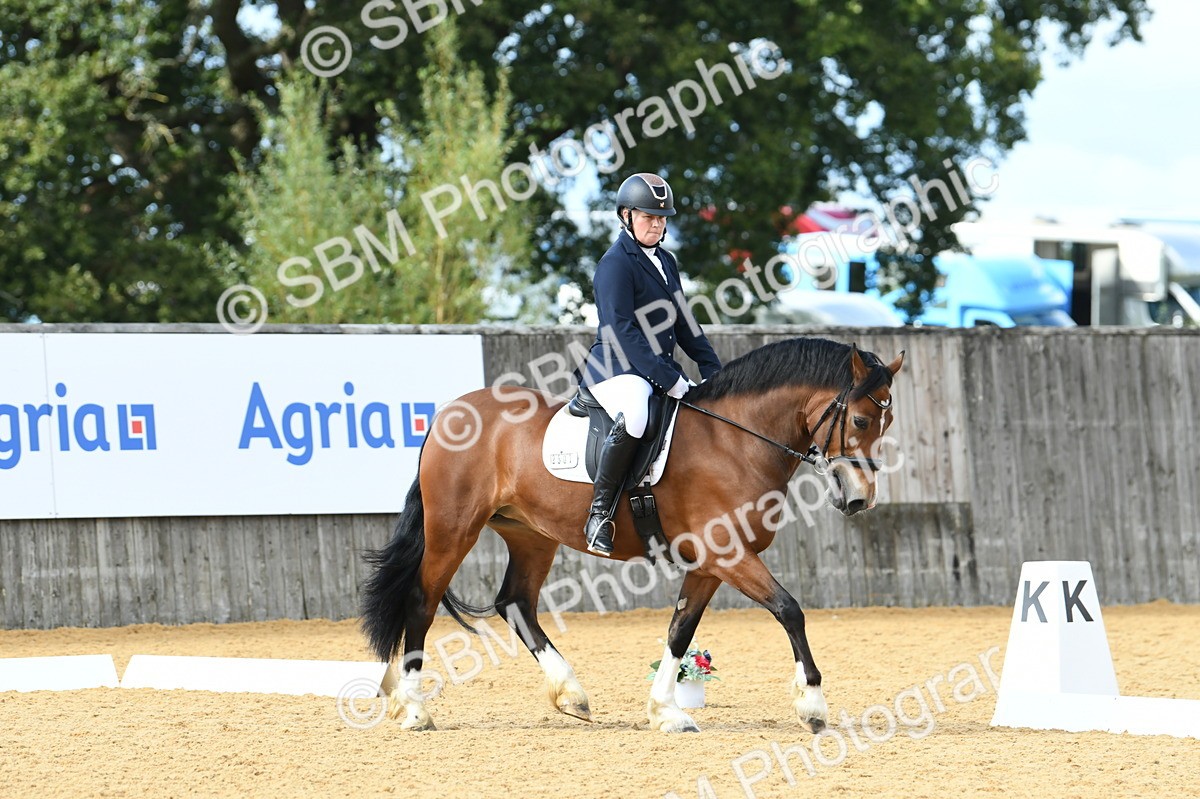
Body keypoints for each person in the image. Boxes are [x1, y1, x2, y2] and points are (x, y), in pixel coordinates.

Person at [577, 172, 723, 557]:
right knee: (637, 416)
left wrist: (714, 372)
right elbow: (622, 330)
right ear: (626, 216)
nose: (656, 224)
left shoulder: (666, 261)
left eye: (661, 218)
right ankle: (599, 515)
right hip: (616, 370)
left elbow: (685, 323)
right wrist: (669, 379)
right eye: (648, 217)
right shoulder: (614, 265)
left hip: (654, 369)